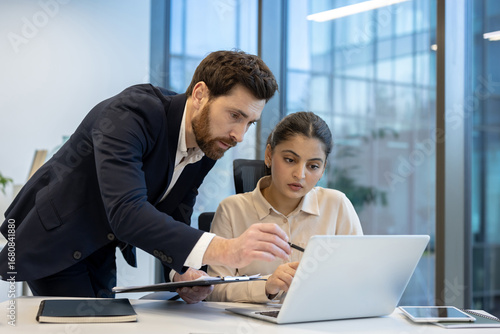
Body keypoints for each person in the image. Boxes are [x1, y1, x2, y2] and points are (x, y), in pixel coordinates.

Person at [0, 50, 292, 303]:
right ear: (201, 95)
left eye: (249, 123)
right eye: (235, 115)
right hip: (56, 234)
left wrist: (182, 271)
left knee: (109, 319)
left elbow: (177, 211)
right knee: (87, 324)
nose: (239, 136)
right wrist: (226, 249)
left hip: (100, 241)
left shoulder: (209, 140)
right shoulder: (132, 113)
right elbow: (127, 211)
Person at [206, 111, 363, 303]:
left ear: (323, 169)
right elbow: (214, 291)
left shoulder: (337, 205)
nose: (300, 175)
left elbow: (359, 277)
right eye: (290, 160)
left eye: (313, 166)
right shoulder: (232, 210)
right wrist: (266, 286)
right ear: (269, 155)